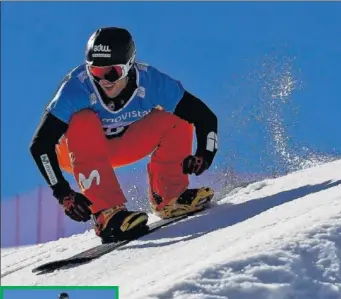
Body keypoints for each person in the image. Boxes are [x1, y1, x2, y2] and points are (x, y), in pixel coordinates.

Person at [29, 27, 218, 243]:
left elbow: (205, 117)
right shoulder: (76, 88)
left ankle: (170, 196)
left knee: (177, 117)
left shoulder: (151, 81)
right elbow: (40, 145)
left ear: (129, 65)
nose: (104, 81)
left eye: (112, 73)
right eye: (95, 72)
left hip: (123, 144)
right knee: (83, 119)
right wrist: (63, 193)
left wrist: (205, 153)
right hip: (74, 153)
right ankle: (106, 213)